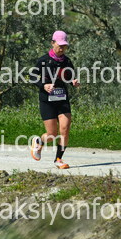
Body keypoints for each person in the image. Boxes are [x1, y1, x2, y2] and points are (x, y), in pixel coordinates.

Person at [29, 30, 79, 169]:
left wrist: (73, 82)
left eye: (64, 46)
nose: (62, 48)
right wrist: (43, 85)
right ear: (52, 43)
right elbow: (32, 77)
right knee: (52, 135)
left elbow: (69, 76)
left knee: (65, 129)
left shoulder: (67, 61)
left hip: (62, 99)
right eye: (59, 45)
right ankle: (39, 142)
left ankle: (58, 159)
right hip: (47, 100)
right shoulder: (43, 60)